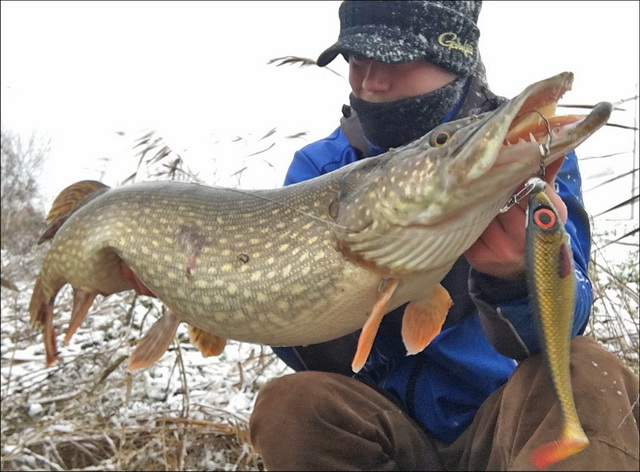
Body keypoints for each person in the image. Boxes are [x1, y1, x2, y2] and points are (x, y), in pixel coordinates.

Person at [248, 1, 640, 470]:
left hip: (505, 421)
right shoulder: (322, 171)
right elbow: (304, 347)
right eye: (356, 59)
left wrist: (514, 279)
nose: (370, 81)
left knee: (585, 376)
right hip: (392, 430)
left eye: (393, 58)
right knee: (295, 406)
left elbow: (564, 326)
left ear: (453, 57)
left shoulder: (523, 151)